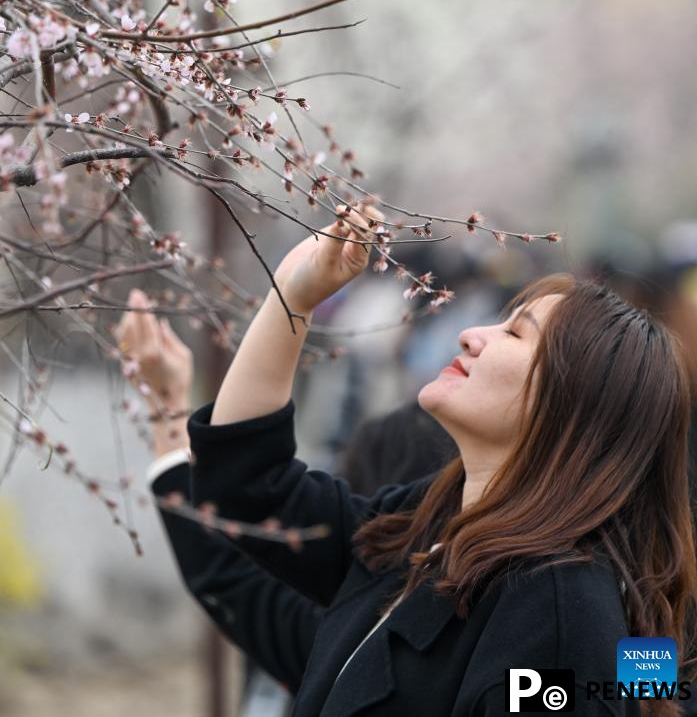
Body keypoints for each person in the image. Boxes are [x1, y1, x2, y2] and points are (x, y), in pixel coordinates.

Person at [183, 203, 697, 716]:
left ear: (573, 400)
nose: (471, 334)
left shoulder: (557, 612)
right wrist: (294, 296)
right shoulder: (427, 522)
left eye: (515, 333)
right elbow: (248, 485)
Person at [115, 290, 456, 714]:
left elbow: (230, 571)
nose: (473, 337)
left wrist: (166, 409)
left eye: (516, 332)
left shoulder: (358, 627)